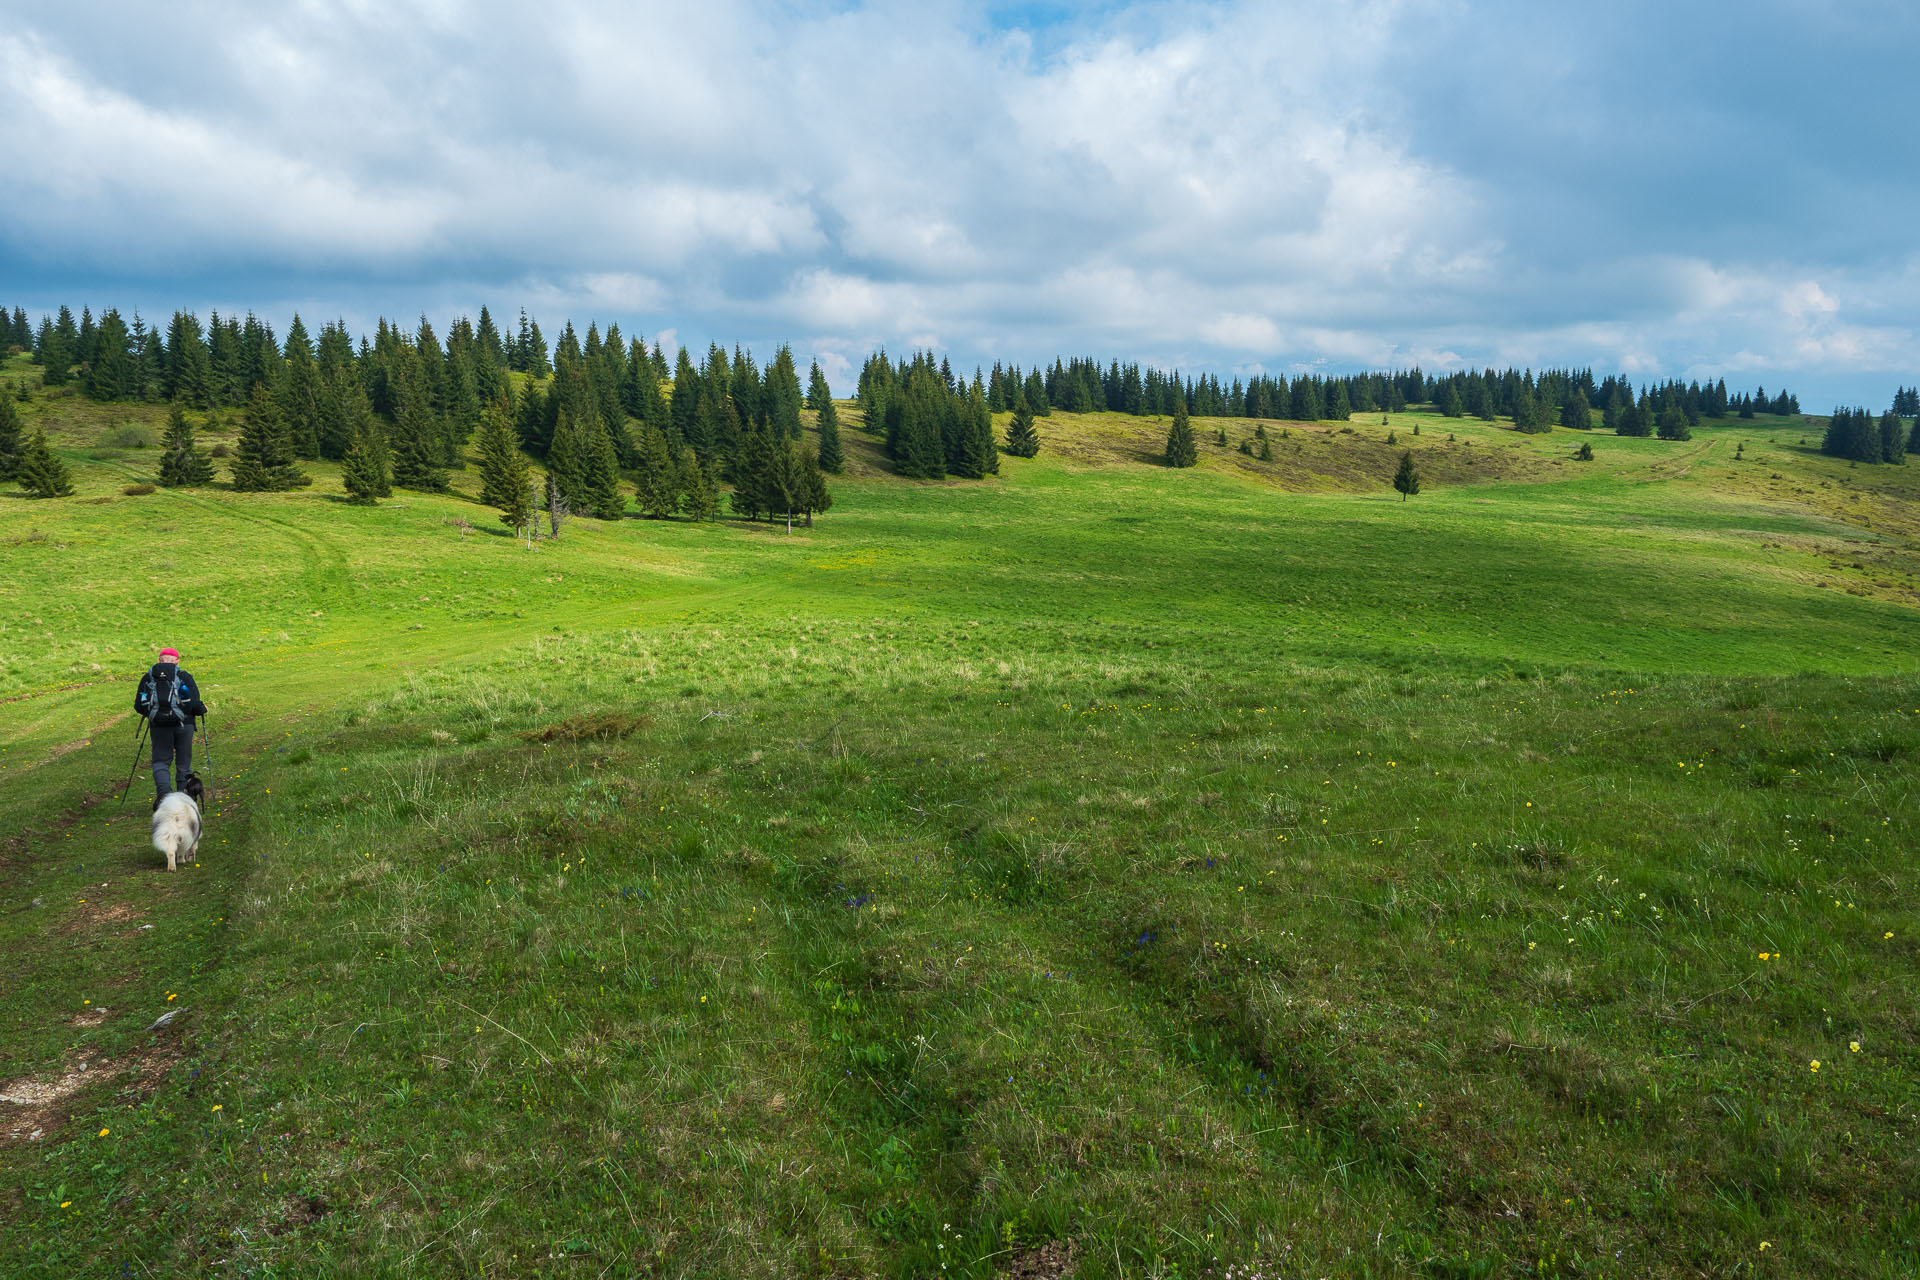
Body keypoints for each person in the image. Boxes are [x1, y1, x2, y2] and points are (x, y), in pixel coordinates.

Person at [135, 647, 208, 811]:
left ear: (159, 660)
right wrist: (201, 709)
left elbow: (139, 705)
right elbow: (194, 703)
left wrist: (153, 714)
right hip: (184, 725)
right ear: (177, 661)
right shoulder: (184, 677)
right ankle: (183, 797)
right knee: (183, 763)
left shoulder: (148, 677)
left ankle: (164, 796)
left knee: (161, 761)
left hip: (158, 726)